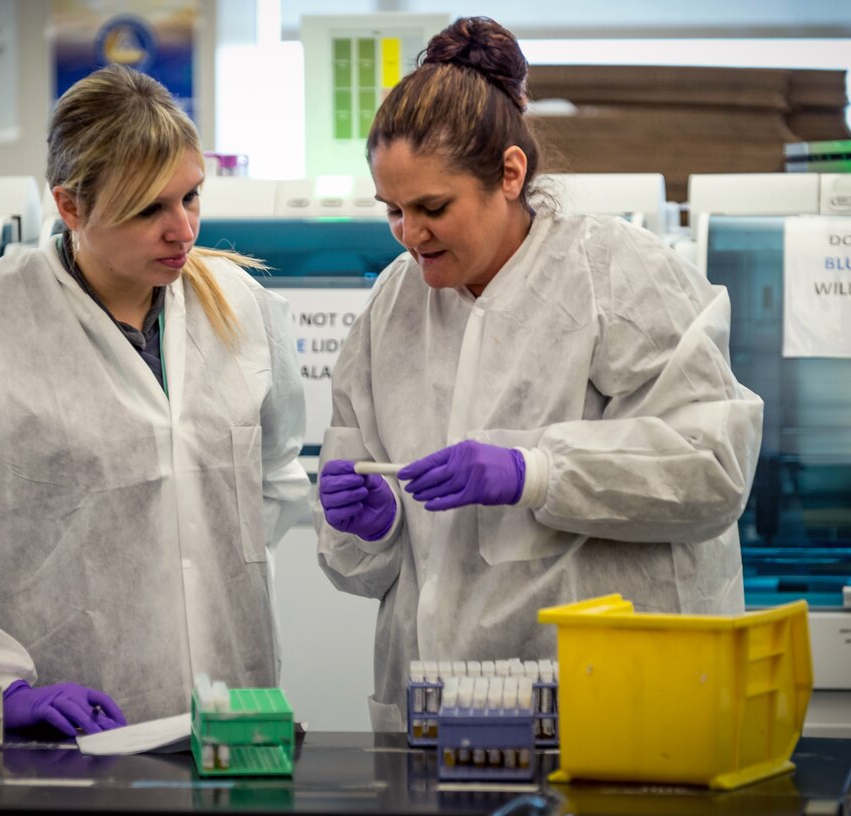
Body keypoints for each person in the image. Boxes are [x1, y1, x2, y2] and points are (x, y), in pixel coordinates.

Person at [315, 17, 763, 732]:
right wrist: (372, 524)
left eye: (433, 208)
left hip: (616, 708)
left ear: (511, 173)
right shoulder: (392, 308)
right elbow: (363, 569)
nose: (409, 233)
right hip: (435, 707)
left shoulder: (616, 274)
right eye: (393, 211)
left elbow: (712, 469)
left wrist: (538, 472)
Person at [0, 64, 310, 737]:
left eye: (191, 197)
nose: (184, 230)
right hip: (64, 729)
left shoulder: (241, 309)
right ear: (71, 207)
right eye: (150, 209)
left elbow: (269, 479)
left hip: (232, 719)